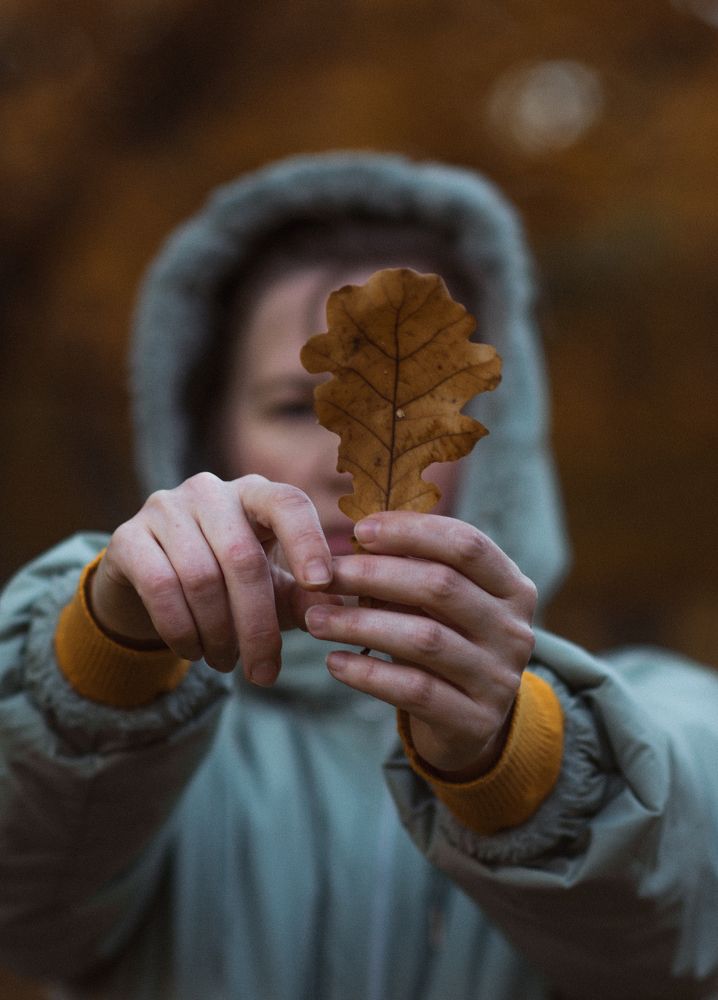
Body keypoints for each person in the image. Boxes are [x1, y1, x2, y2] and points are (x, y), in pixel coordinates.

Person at [0, 151, 716, 1000]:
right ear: (211, 444)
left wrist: (513, 755)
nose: (342, 464)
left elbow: (676, 915)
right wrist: (101, 652)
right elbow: (25, 893)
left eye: (417, 417)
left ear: (498, 446)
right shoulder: (156, 762)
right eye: (295, 408)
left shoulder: (663, 717)